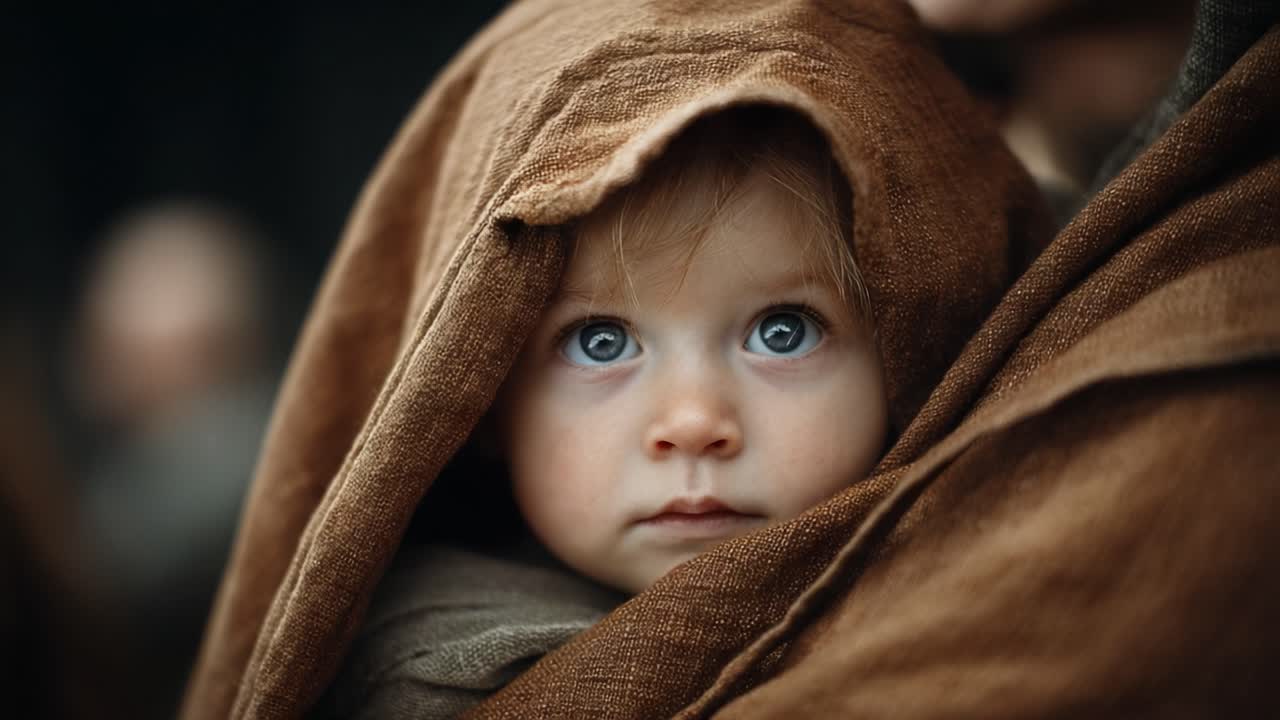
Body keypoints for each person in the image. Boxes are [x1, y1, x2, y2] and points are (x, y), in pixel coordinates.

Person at [180, 1, 1050, 717]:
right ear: (480, 398)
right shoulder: (425, 676)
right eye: (601, 342)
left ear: (915, 348)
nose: (694, 424)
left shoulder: (998, 600)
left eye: (783, 330)